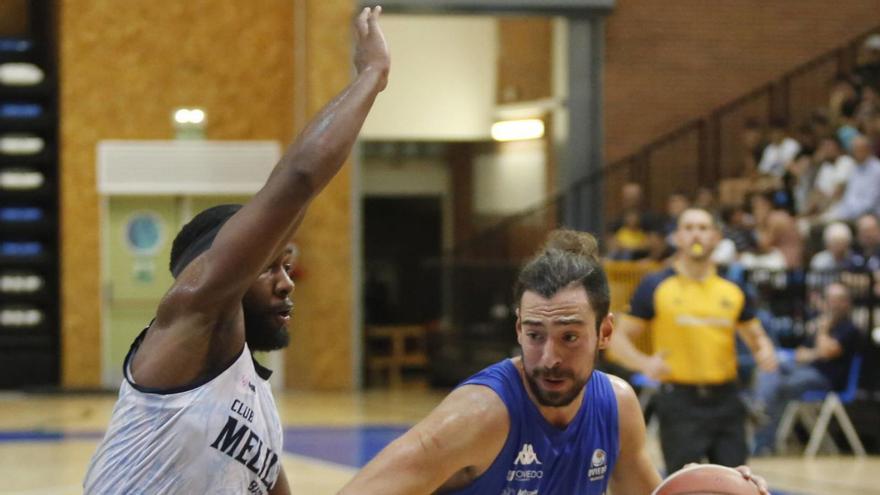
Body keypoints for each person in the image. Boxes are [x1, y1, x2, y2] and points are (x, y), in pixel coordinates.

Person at [82, 7, 390, 494]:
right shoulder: (190, 310)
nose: (288, 282)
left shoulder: (258, 404)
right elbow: (299, 182)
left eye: (287, 267)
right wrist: (372, 76)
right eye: (270, 268)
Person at [337, 229, 769, 495]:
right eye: (535, 335)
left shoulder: (616, 406)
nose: (549, 358)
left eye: (569, 337)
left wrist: (711, 485)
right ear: (517, 330)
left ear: (604, 333)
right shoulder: (479, 414)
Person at [608, 208, 778, 474]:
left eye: (702, 227)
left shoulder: (732, 289)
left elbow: (757, 337)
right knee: (683, 483)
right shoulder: (656, 285)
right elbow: (617, 340)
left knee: (735, 483)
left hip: (726, 401)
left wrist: (765, 350)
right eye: (688, 228)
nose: (695, 234)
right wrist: (644, 364)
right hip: (680, 403)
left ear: (715, 237)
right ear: (677, 237)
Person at [751, 283, 862, 454]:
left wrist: (823, 329)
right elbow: (800, 354)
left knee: (779, 387)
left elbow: (828, 351)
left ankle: (763, 440)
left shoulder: (849, 329)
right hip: (804, 370)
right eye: (830, 299)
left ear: (847, 303)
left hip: (826, 379)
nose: (833, 304)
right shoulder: (819, 326)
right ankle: (759, 413)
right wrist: (818, 351)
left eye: (838, 300)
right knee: (770, 366)